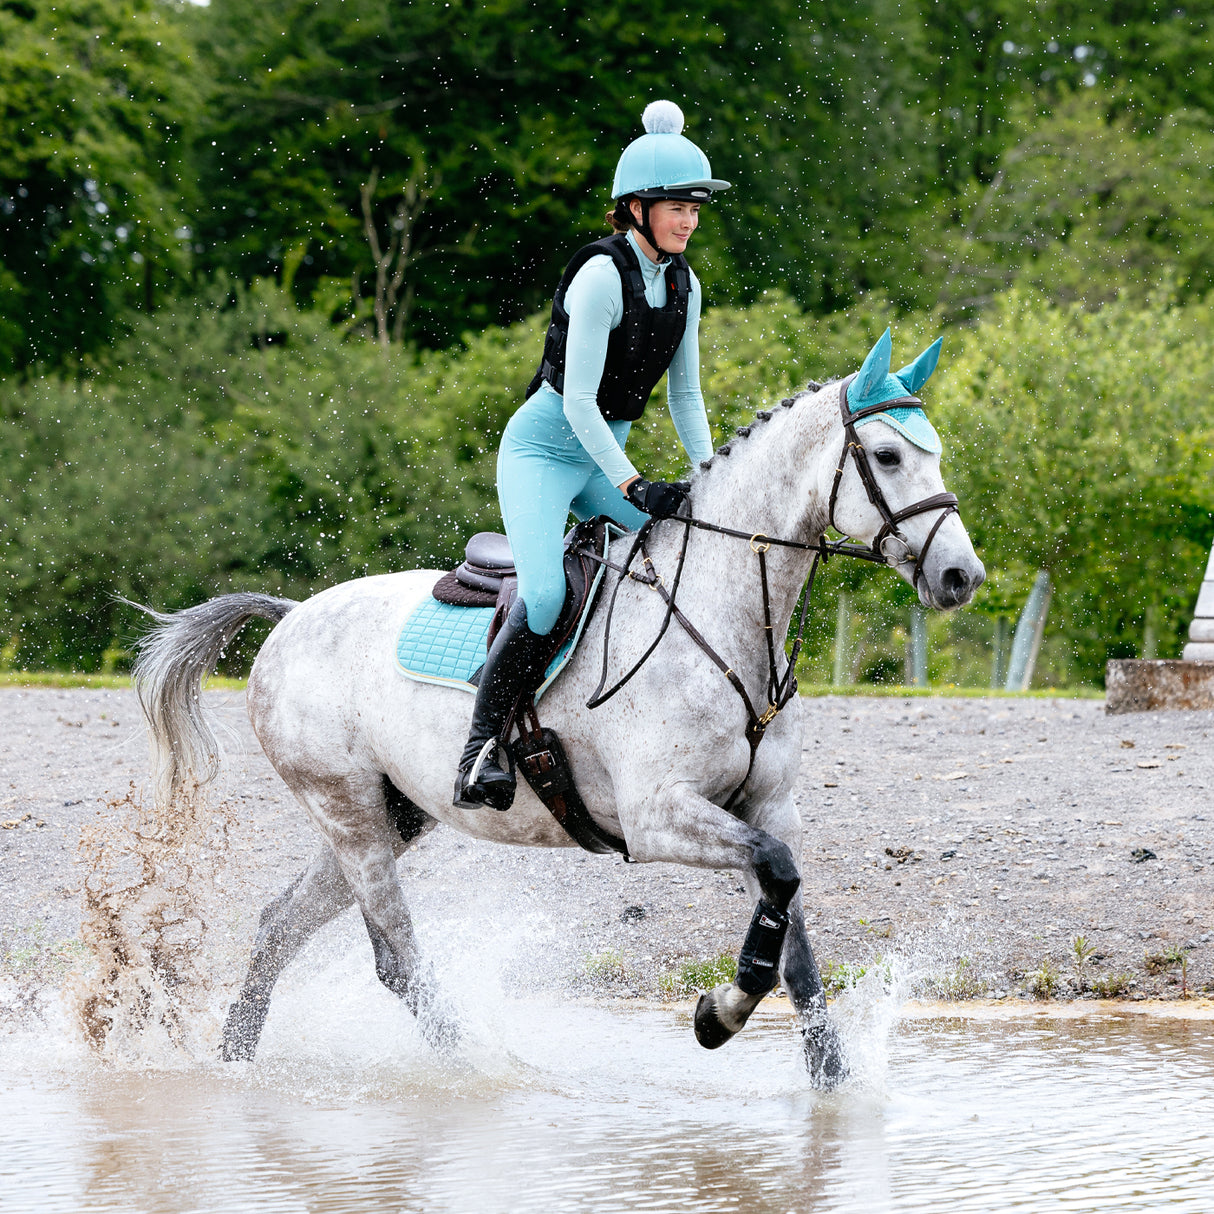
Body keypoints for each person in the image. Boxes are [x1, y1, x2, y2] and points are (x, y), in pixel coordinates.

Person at [454, 99, 729, 811]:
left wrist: (712, 480)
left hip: (605, 462)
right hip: (545, 456)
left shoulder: (685, 286)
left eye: (697, 208)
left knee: (687, 553)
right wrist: (633, 483)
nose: (690, 220)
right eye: (677, 205)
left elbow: (687, 397)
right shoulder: (601, 276)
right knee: (545, 595)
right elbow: (578, 403)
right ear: (635, 207)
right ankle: (480, 744)